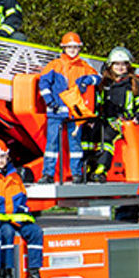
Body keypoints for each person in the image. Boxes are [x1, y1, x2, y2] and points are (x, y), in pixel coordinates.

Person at [0, 139, 48, 278]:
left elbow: (22, 196)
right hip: (1, 219)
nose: (1, 160)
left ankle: (34, 273)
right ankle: (6, 273)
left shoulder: (15, 176)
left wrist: (23, 210)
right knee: (7, 233)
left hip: (16, 218)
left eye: (3, 156)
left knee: (36, 232)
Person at [82, 47, 139, 182]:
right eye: (117, 64)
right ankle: (86, 167)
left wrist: (138, 117)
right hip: (103, 119)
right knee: (87, 134)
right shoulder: (104, 84)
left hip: (122, 122)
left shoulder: (135, 85)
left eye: (123, 64)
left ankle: (101, 169)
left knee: (107, 137)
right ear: (110, 65)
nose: (120, 67)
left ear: (128, 66)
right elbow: (96, 103)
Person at [37, 32, 99, 184]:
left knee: (75, 144)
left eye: (75, 47)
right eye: (69, 47)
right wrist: (50, 101)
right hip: (56, 110)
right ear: (63, 47)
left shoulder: (83, 66)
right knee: (51, 144)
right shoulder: (54, 65)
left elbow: (97, 78)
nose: (72, 50)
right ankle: (48, 174)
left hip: (74, 112)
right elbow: (43, 84)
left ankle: (76, 174)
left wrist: (87, 79)